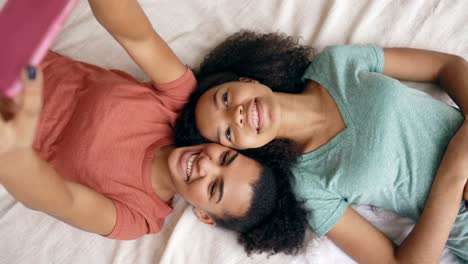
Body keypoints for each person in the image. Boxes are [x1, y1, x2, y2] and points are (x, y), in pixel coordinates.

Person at [0, 2, 308, 255]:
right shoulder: (179, 100)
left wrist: (12, 153)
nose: (206, 165)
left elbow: (60, 199)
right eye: (225, 159)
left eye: (214, 188)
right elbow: (135, 34)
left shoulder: (139, 216)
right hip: (10, 56)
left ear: (204, 215)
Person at [174, 31, 468, 263]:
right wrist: (454, 173)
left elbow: (448, 66)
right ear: (243, 150)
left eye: (225, 99)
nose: (235, 115)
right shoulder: (308, 186)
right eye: (226, 133)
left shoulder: (333, 64)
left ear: (247, 80)